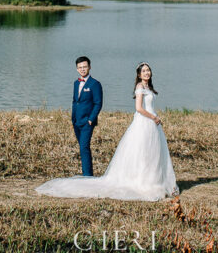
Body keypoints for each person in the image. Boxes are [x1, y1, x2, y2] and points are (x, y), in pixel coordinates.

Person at [36, 62, 179, 201]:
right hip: (145, 121)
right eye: (144, 71)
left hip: (152, 124)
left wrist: (155, 119)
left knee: (152, 153)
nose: (147, 73)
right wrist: (154, 117)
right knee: (141, 152)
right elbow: (139, 108)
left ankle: (154, 181)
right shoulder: (140, 86)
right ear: (139, 74)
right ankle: (141, 182)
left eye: (148, 70)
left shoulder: (148, 87)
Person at [71, 56, 102, 176]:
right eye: (80, 67)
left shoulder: (95, 84)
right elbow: (75, 101)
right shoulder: (75, 83)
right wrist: (73, 118)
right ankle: (87, 174)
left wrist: (91, 119)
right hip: (76, 121)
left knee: (84, 148)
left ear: (89, 67)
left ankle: (87, 176)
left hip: (87, 122)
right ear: (77, 69)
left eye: (85, 67)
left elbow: (98, 103)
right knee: (83, 148)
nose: (82, 69)